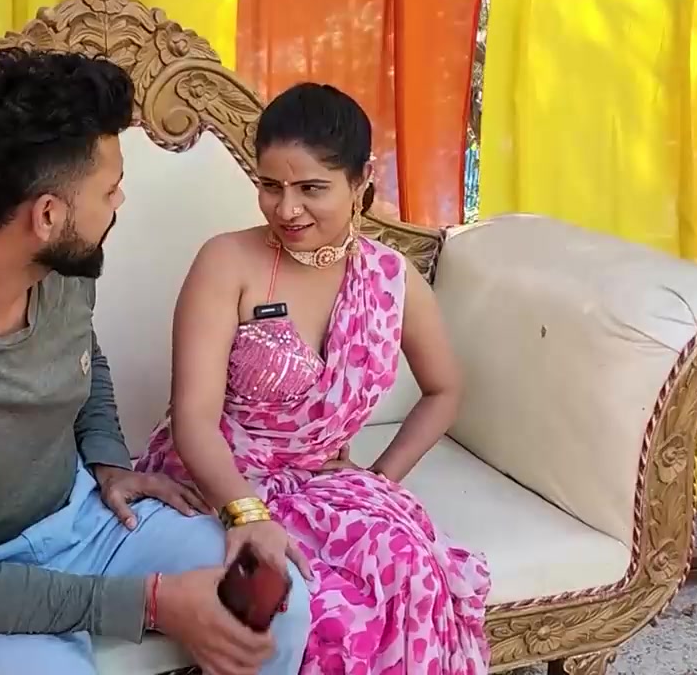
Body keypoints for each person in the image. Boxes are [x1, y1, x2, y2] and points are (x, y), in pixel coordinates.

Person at [0, 48, 310, 675]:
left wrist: (107, 459)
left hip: (83, 516)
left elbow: (84, 358)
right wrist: (152, 602)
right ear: (47, 215)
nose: (120, 199)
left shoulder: (62, 272)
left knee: (276, 600)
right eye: (108, 188)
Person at [135, 82, 491, 675]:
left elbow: (444, 389)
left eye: (311, 188)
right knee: (317, 606)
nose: (286, 209)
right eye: (270, 186)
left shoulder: (390, 278)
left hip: (323, 487)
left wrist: (378, 480)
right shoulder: (228, 262)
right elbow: (192, 419)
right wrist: (247, 514)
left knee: (408, 565)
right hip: (217, 484)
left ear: (361, 180)